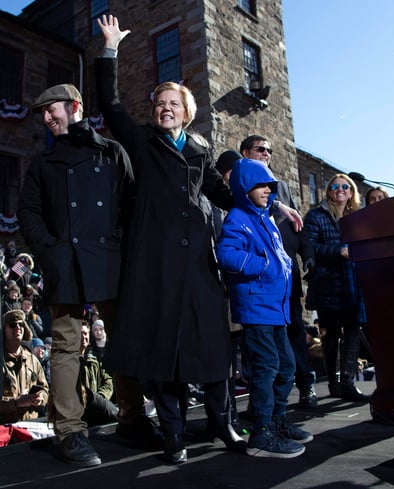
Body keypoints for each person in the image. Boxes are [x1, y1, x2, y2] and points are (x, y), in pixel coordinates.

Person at [95, 14, 247, 464]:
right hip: (156, 265)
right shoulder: (141, 142)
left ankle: (223, 423)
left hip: (201, 265)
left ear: (187, 112)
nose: (165, 108)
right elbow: (110, 102)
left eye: (173, 104)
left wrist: (271, 204)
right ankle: (174, 435)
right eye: (160, 102)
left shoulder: (200, 151)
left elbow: (225, 195)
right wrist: (109, 49)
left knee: (214, 348)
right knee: (164, 354)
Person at [17, 82, 134, 467]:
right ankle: (69, 430)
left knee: (121, 340)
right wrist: (49, 250)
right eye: (43, 114)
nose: (47, 118)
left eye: (52, 110)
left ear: (75, 106)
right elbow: (28, 214)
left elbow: (131, 202)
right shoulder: (42, 165)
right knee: (66, 348)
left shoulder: (111, 152)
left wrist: (119, 241)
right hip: (64, 263)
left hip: (110, 258)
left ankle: (133, 418)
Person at [216, 158, 312, 458]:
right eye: (261, 185)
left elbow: (275, 241)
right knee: (266, 368)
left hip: (275, 308)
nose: (268, 190)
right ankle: (261, 431)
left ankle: (277, 420)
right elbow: (226, 254)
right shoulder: (237, 218)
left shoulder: (264, 217)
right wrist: (265, 265)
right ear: (244, 187)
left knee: (286, 365)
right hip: (257, 307)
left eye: (270, 185)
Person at [240, 135, 318, 408]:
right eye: (260, 149)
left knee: (295, 332)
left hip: (286, 277)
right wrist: (275, 205)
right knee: (261, 342)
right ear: (245, 153)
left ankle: (306, 386)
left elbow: (298, 226)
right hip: (258, 279)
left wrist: (307, 255)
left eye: (269, 150)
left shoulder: (282, 187)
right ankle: (262, 403)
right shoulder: (239, 181)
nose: (267, 153)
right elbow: (245, 205)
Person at [304, 173, 369, 402]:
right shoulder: (316, 215)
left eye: (345, 186)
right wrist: (337, 251)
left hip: (353, 283)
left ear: (351, 192)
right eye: (335, 186)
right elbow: (310, 246)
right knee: (331, 334)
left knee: (352, 332)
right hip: (328, 283)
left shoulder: (358, 216)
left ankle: (348, 382)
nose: (340, 189)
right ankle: (333, 381)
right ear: (329, 191)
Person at [1, 310, 48, 424]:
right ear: (3, 331)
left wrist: (41, 398)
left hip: (31, 426)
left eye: (21, 324)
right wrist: (16, 403)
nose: (18, 327)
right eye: (12, 325)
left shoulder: (33, 360)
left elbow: (45, 389)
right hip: (5, 430)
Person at [78, 322, 118, 427]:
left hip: (97, 410)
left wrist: (100, 398)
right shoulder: (70, 362)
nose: (84, 337)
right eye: (80, 333)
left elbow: (108, 380)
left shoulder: (94, 359)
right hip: (80, 416)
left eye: (86, 334)